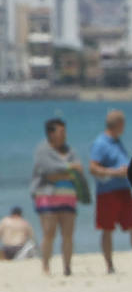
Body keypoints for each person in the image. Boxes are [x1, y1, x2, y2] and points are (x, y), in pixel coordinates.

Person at [88, 109, 132, 273]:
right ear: (117, 124)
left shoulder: (117, 141)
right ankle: (109, 266)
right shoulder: (101, 143)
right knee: (107, 228)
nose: (124, 127)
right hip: (107, 192)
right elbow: (93, 168)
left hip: (124, 190)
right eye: (123, 124)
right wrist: (115, 172)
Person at [30, 117, 84, 276]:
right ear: (51, 133)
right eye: (61, 131)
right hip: (47, 196)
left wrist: (64, 173)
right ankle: (46, 266)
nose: (64, 134)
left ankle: (67, 267)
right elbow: (48, 170)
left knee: (68, 234)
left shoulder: (70, 150)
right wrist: (69, 170)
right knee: (49, 233)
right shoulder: (42, 150)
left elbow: (79, 169)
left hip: (68, 197)